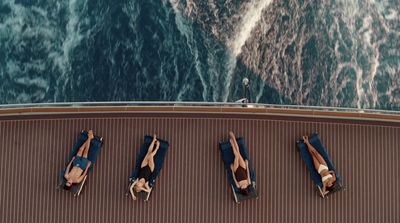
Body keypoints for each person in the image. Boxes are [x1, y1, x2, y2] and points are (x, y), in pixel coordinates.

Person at [129, 134, 160, 200]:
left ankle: (153, 140)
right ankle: (157, 147)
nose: (138, 183)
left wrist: (133, 195)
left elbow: (131, 188)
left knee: (148, 153)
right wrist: (143, 189)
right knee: (151, 155)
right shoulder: (146, 184)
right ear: (141, 186)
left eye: (137, 185)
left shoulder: (137, 180)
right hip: (150, 168)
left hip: (143, 166)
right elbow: (149, 191)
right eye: (139, 185)